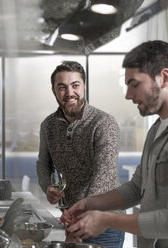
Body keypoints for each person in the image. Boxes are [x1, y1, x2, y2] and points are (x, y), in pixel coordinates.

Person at [61, 40, 168, 248]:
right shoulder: (159, 127)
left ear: (164, 78)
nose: (128, 95)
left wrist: (105, 220)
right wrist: (91, 203)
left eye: (134, 84)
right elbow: (136, 189)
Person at [36, 61, 124, 248]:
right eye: (62, 87)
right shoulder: (48, 125)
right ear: (53, 91)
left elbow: (104, 176)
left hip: (105, 223)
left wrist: (78, 214)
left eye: (75, 85)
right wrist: (47, 187)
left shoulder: (104, 123)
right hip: (72, 220)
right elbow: (43, 163)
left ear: (84, 86)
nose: (69, 93)